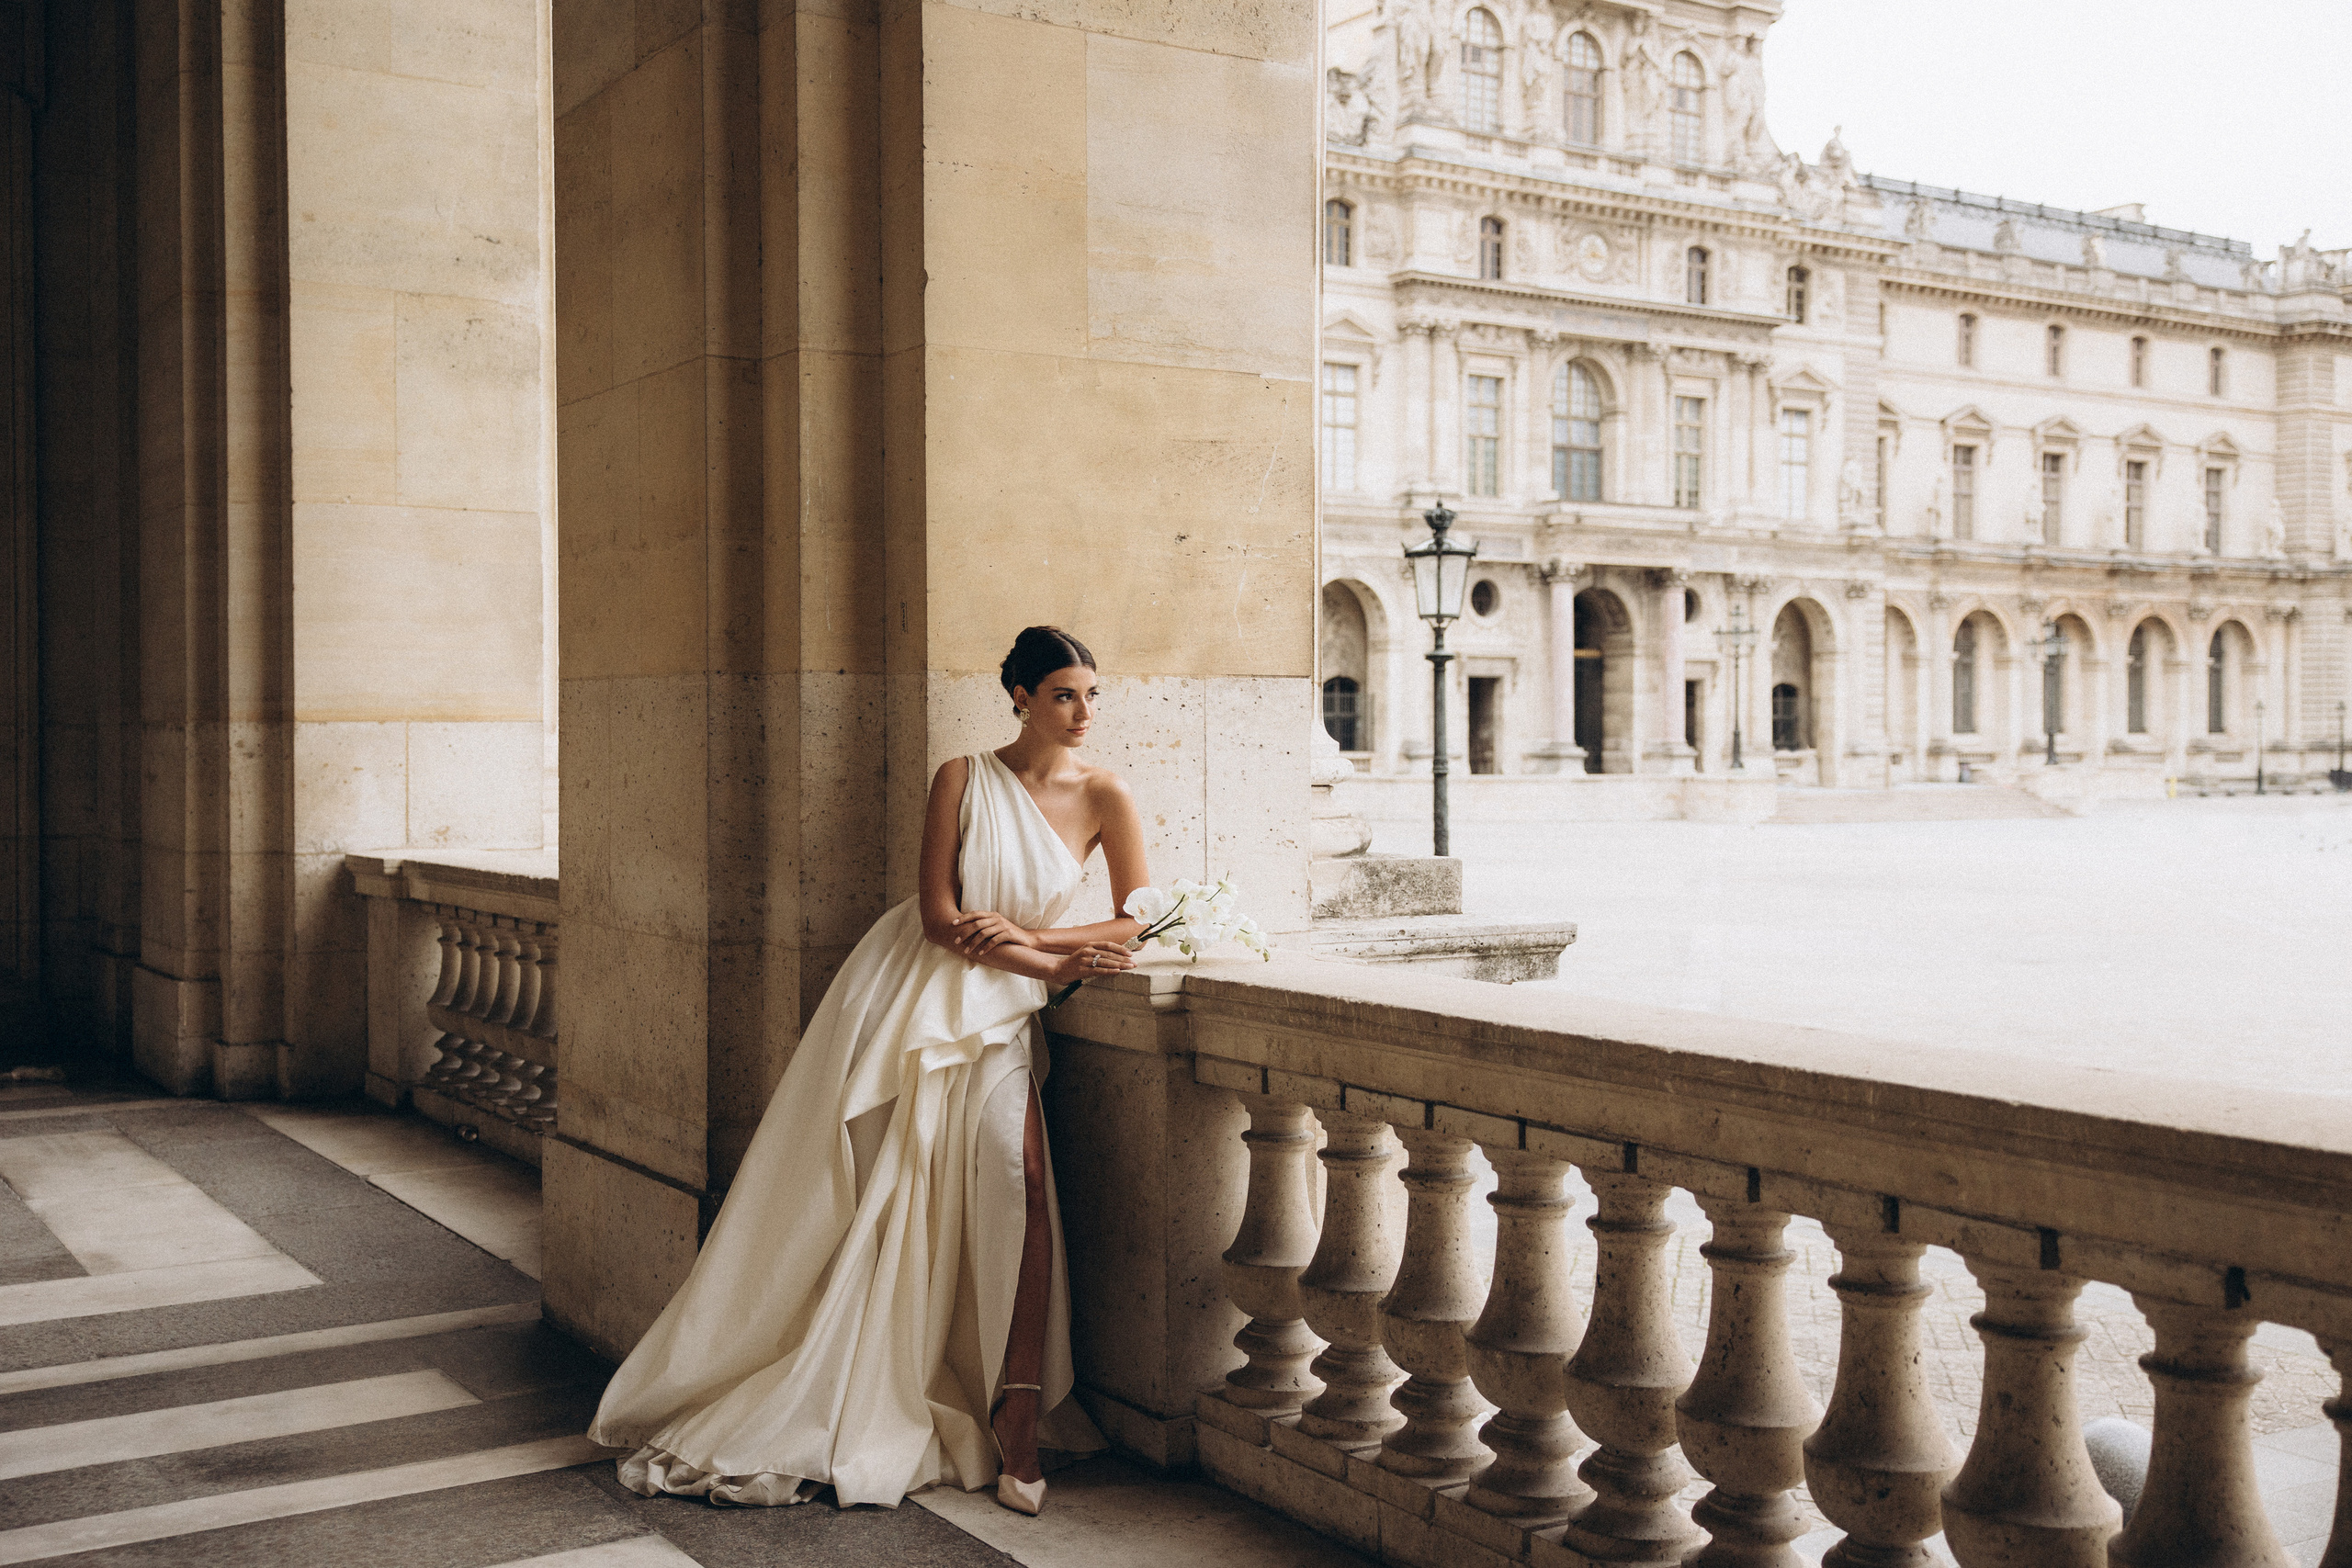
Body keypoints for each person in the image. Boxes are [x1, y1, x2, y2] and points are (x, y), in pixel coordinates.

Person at [587, 626, 1149, 1517]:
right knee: (891, 1191)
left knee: (1022, 1184)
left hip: (997, 1012)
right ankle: (906, 1385)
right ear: (1018, 696)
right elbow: (936, 915)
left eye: (1091, 695)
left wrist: (1032, 936)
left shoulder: (1106, 792)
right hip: (912, 999)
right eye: (1063, 696)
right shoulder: (962, 777)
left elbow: (1134, 920)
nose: (1083, 714)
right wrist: (1044, 966)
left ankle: (1020, 1421)